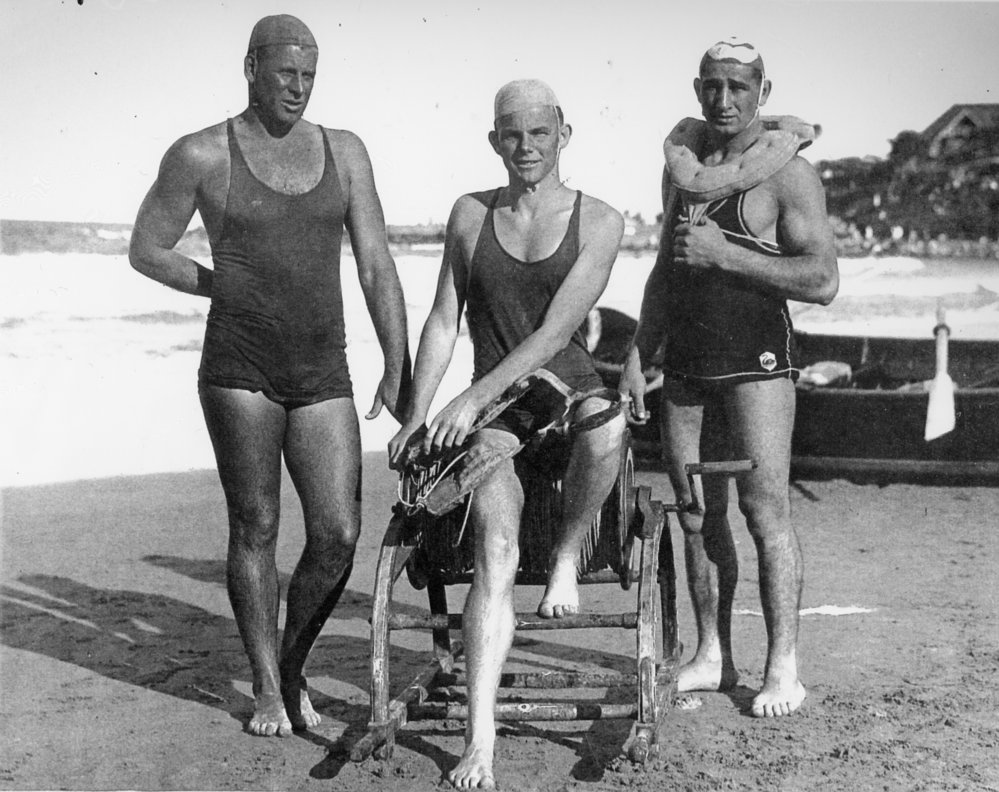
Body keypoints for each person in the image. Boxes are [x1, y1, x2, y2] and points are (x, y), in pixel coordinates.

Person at [129, 15, 410, 737]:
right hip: (239, 366)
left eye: (310, 74)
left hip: (323, 365)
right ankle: (264, 684)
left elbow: (376, 261)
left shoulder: (344, 152)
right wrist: (217, 286)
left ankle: (291, 663)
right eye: (286, 72)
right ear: (251, 66)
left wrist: (396, 360)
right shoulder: (201, 152)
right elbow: (147, 248)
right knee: (255, 524)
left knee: (339, 533)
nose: (299, 87)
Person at [388, 79, 625, 789]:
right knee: (492, 548)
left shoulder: (601, 221)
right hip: (495, 421)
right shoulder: (469, 215)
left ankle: (562, 556)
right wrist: (415, 412)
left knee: (606, 427)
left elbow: (557, 332)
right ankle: (480, 742)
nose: (526, 148)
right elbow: (440, 320)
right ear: (494, 139)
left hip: (567, 398)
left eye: (539, 134)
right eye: (511, 135)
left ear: (563, 136)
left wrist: (471, 395)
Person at [619, 38, 839, 718]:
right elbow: (665, 266)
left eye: (739, 87)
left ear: (762, 93)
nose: (724, 100)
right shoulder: (682, 171)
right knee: (693, 514)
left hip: (757, 362)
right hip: (685, 361)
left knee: (763, 509)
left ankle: (783, 668)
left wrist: (727, 255)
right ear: (696, 88)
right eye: (712, 86)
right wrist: (638, 350)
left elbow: (822, 280)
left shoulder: (788, 175)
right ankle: (712, 656)